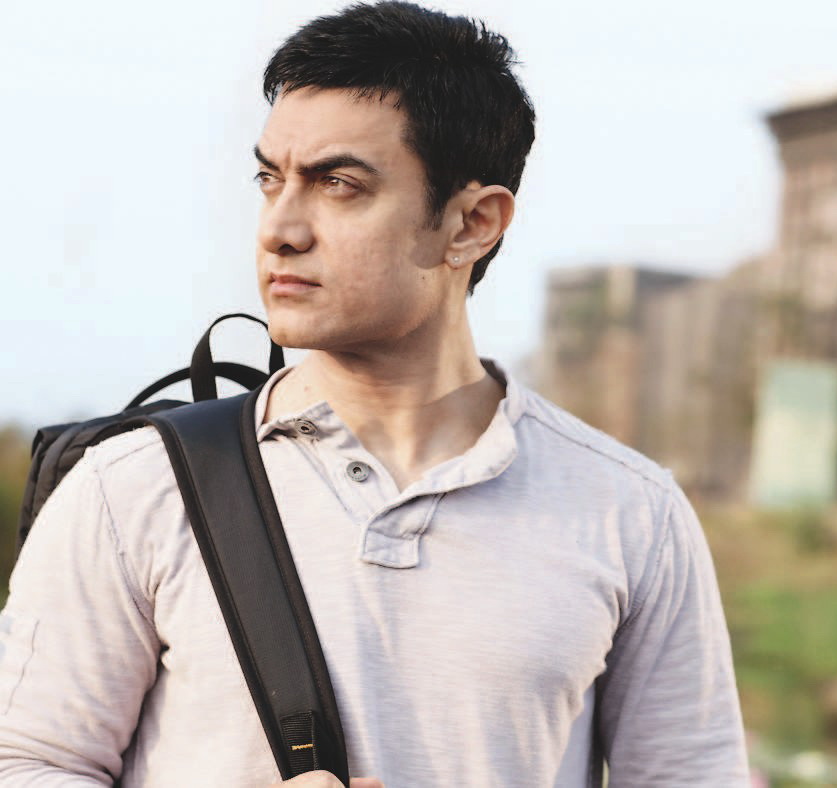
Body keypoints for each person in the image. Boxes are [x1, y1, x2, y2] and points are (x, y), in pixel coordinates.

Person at [0, 2, 749, 785]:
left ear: (471, 224)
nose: (279, 229)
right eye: (269, 180)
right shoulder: (132, 488)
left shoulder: (630, 512)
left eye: (338, 184)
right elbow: (26, 762)